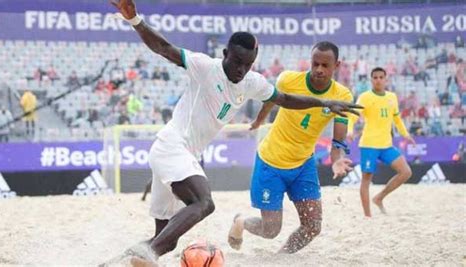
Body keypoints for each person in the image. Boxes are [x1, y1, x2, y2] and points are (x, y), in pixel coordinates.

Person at [107, 1, 361, 266]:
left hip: (179, 155)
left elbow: (284, 98)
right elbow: (163, 48)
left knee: (166, 239)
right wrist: (135, 19)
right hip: (172, 147)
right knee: (204, 203)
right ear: (226, 53)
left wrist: (323, 103)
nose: (241, 69)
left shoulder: (251, 82)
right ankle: (149, 256)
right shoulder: (205, 66)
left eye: (247, 64)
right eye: (237, 61)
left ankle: (118, 262)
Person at [227, 41, 359, 254]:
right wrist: (260, 121)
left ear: (337, 65)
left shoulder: (342, 96)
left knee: (313, 227)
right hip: (271, 162)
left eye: (325, 65)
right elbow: (270, 101)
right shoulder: (289, 80)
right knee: (270, 230)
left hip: (303, 165)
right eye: (315, 63)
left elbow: (338, 140)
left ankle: (282, 257)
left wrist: (336, 159)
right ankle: (241, 221)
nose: (319, 70)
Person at [347, 67, 415, 217]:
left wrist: (406, 134)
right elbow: (353, 115)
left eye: (381, 77)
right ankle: (368, 216)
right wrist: (350, 130)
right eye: (375, 77)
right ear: (371, 80)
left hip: (386, 145)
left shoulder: (392, 97)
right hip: (369, 145)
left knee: (406, 172)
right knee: (366, 180)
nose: (378, 80)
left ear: (385, 79)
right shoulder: (365, 97)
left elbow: (397, 119)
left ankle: (379, 198)